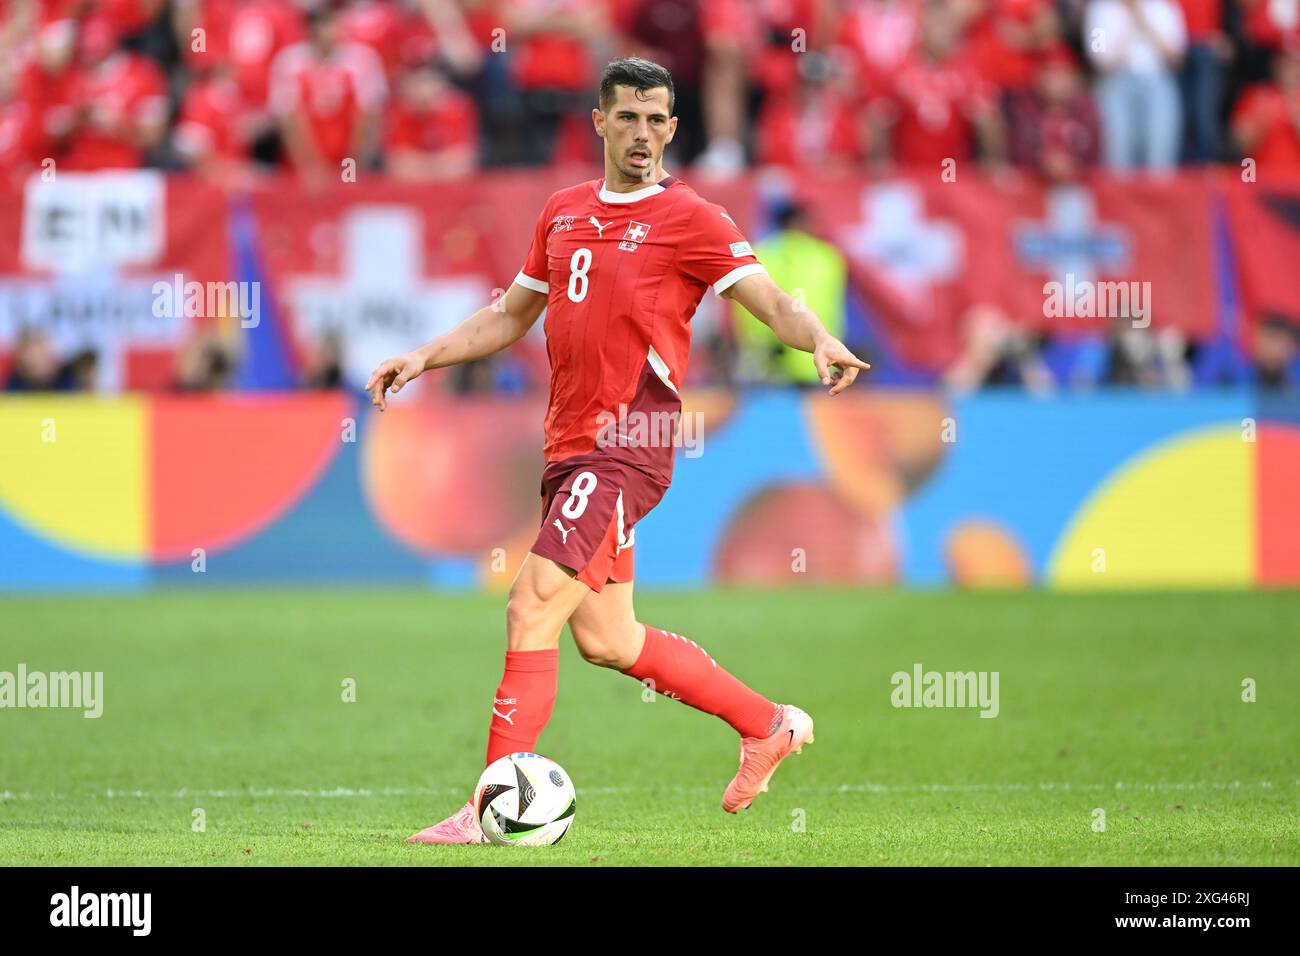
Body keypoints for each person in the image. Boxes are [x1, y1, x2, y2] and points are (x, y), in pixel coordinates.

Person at [365, 57, 871, 844]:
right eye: (627, 117)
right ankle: (766, 725)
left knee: (529, 606)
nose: (643, 133)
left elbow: (768, 297)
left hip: (627, 445)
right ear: (599, 122)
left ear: (674, 127)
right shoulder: (563, 211)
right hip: (569, 447)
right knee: (608, 639)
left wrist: (820, 340)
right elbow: (508, 316)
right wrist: (423, 356)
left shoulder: (693, 217)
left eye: (657, 119)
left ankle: (483, 808)